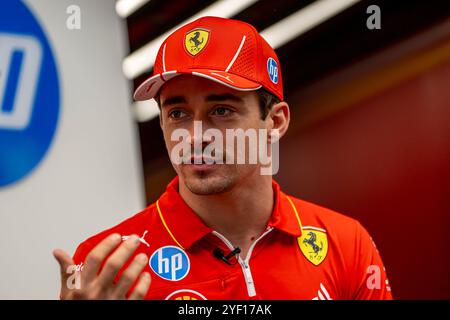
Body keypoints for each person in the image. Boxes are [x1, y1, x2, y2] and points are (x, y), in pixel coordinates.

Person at [53, 16, 392, 300]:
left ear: (275, 121)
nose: (197, 135)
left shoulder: (346, 243)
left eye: (221, 110)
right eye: (178, 114)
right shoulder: (107, 264)